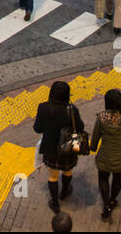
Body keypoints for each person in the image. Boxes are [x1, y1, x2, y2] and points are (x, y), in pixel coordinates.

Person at [34, 79, 86, 213]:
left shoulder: (43, 108)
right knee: (68, 171)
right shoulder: (72, 110)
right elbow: (80, 127)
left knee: (52, 176)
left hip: (51, 149)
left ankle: (55, 203)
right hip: (68, 148)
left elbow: (37, 128)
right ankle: (65, 192)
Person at [88, 88, 121, 222]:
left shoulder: (102, 118)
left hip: (105, 157)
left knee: (103, 179)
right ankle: (112, 200)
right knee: (118, 178)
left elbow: (94, 140)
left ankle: (105, 205)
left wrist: (92, 148)